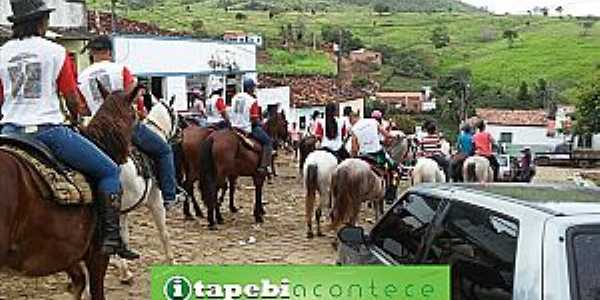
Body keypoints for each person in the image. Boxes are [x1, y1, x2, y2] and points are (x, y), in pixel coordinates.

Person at [0, 1, 138, 259]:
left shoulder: (2, 53)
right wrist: (75, 119)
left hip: (8, 132)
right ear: (40, 22)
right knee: (109, 169)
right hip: (47, 131)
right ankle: (110, 238)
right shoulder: (55, 51)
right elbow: (72, 98)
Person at [78, 35, 180, 211]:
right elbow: (133, 95)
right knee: (164, 150)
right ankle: (170, 195)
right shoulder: (120, 69)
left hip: (96, 130)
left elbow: (83, 109)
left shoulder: (82, 76)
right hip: (125, 127)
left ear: (92, 53)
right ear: (109, 52)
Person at [230, 78, 273, 174]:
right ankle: (263, 166)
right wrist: (261, 123)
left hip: (234, 127)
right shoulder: (252, 100)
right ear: (250, 88)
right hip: (246, 128)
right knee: (268, 142)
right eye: (253, 87)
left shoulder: (235, 97)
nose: (254, 89)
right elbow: (254, 119)